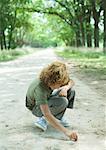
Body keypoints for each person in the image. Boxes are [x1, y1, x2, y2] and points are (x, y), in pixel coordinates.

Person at [25, 61, 78, 141]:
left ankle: (57, 116)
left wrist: (65, 88)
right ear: (53, 81)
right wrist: (67, 132)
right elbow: (46, 113)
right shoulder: (40, 88)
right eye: (59, 84)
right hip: (36, 108)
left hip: (47, 99)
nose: (60, 85)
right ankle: (42, 119)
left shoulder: (51, 80)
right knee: (63, 102)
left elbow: (71, 82)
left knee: (71, 91)